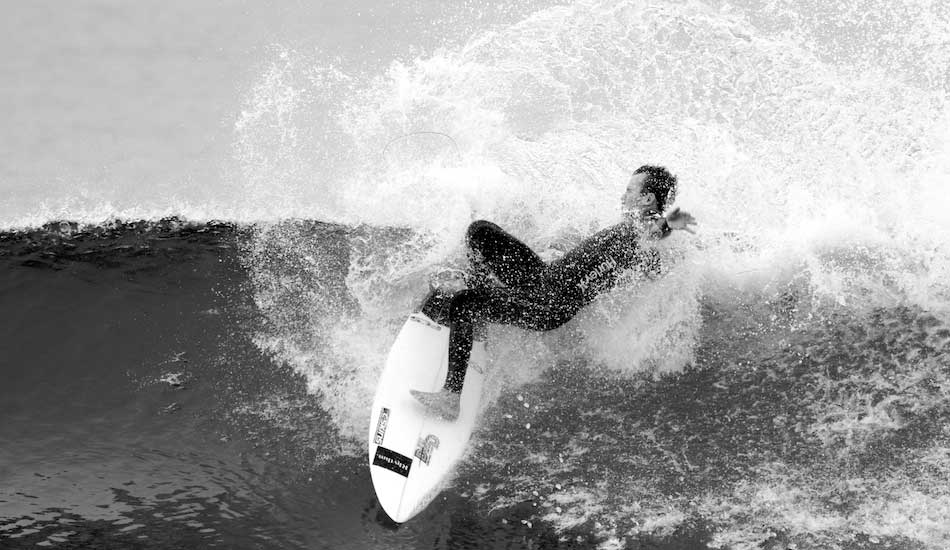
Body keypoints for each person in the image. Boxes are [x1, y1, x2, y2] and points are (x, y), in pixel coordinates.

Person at [411, 165, 697, 419]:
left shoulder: (641, 229)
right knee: (480, 232)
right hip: (542, 277)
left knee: (464, 303)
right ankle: (479, 312)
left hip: (547, 305)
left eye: (630, 190)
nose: (623, 196)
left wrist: (670, 222)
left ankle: (450, 397)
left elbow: (657, 229)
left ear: (647, 199)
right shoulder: (633, 236)